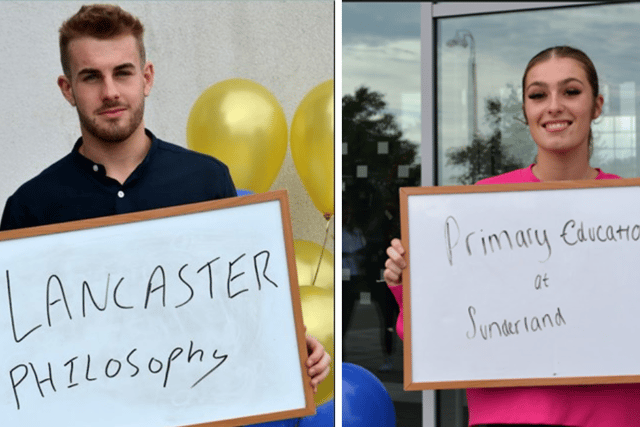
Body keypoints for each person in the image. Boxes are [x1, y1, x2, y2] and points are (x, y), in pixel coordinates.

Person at [0, 3, 330, 394]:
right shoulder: (32, 207)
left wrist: (291, 349)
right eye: (91, 77)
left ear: (147, 77)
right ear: (67, 89)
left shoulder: (206, 181)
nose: (110, 92)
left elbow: (247, 309)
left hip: (197, 411)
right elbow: (17, 343)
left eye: (122, 73)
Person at [383, 45, 640, 426]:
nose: (553, 106)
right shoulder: (479, 208)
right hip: (507, 416)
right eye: (538, 95)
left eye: (570, 91)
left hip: (612, 416)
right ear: (525, 111)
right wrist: (408, 282)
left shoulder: (629, 208)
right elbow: (438, 336)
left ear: (597, 105)